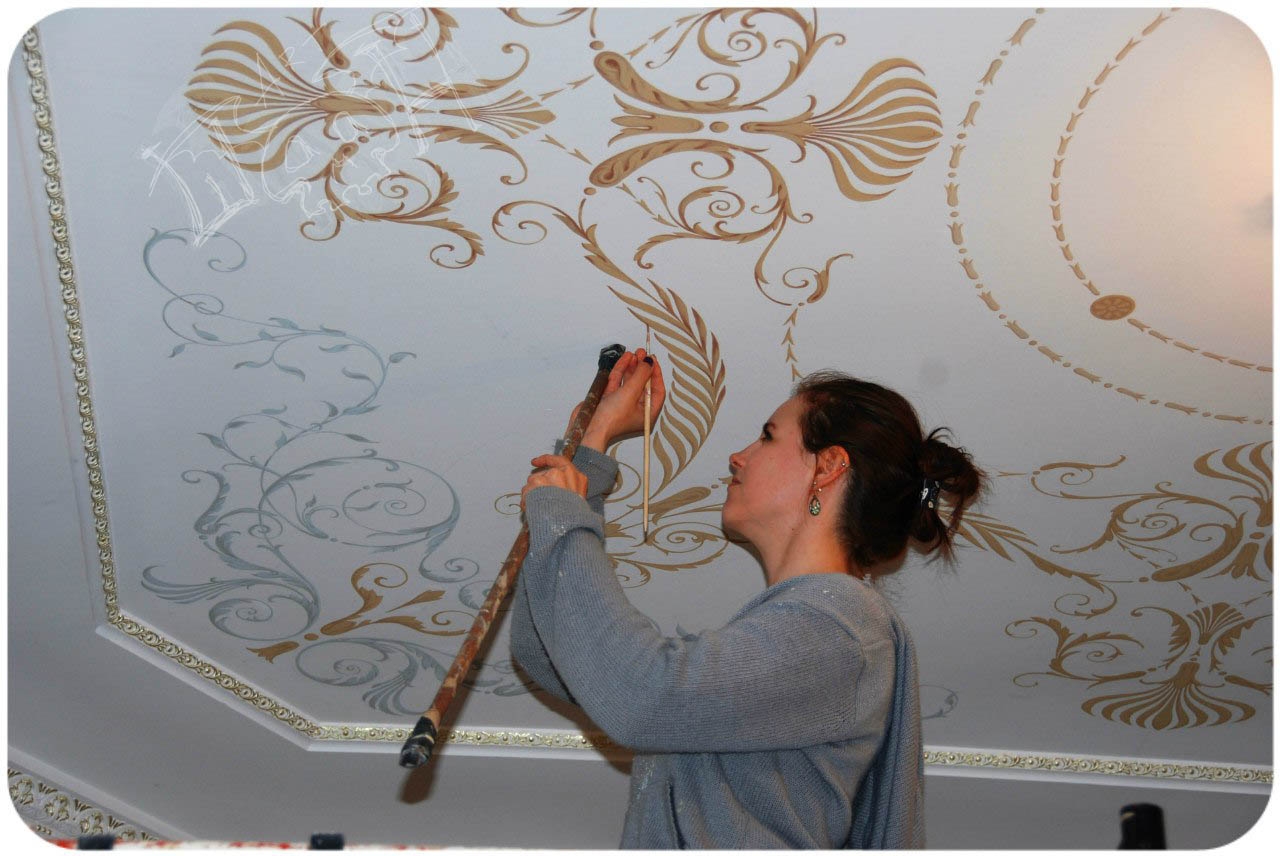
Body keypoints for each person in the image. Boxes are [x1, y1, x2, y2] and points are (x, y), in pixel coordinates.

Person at [511, 348, 983, 849]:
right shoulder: (804, 636)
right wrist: (590, 449)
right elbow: (546, 653)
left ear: (828, 466)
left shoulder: (844, 630)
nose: (739, 456)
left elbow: (643, 697)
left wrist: (566, 510)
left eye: (768, 436)